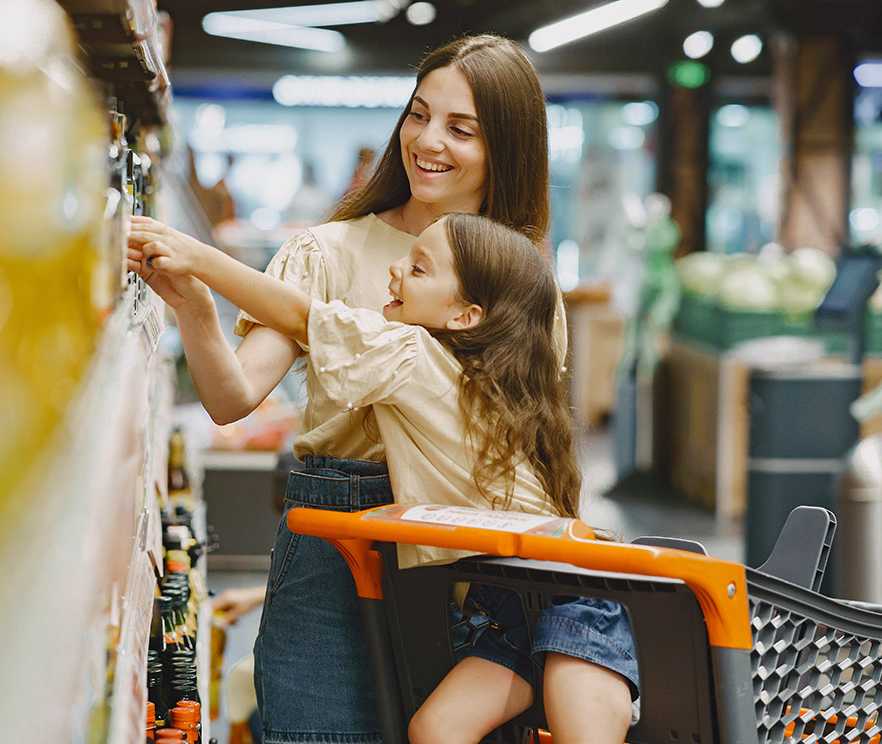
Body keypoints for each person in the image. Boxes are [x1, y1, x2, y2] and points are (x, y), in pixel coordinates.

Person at [128, 33, 566, 744]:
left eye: (461, 129)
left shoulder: (521, 279)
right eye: (419, 114)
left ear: (506, 149)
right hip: (336, 536)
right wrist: (197, 310)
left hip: (476, 561)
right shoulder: (327, 250)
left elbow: (530, 431)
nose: (428, 141)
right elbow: (234, 396)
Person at [130, 212, 638, 744]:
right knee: (434, 730)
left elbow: (303, 315)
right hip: (505, 611)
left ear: (466, 315)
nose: (394, 270)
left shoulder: (417, 355)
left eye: (419, 268)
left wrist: (199, 259)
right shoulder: (482, 380)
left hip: (572, 597)